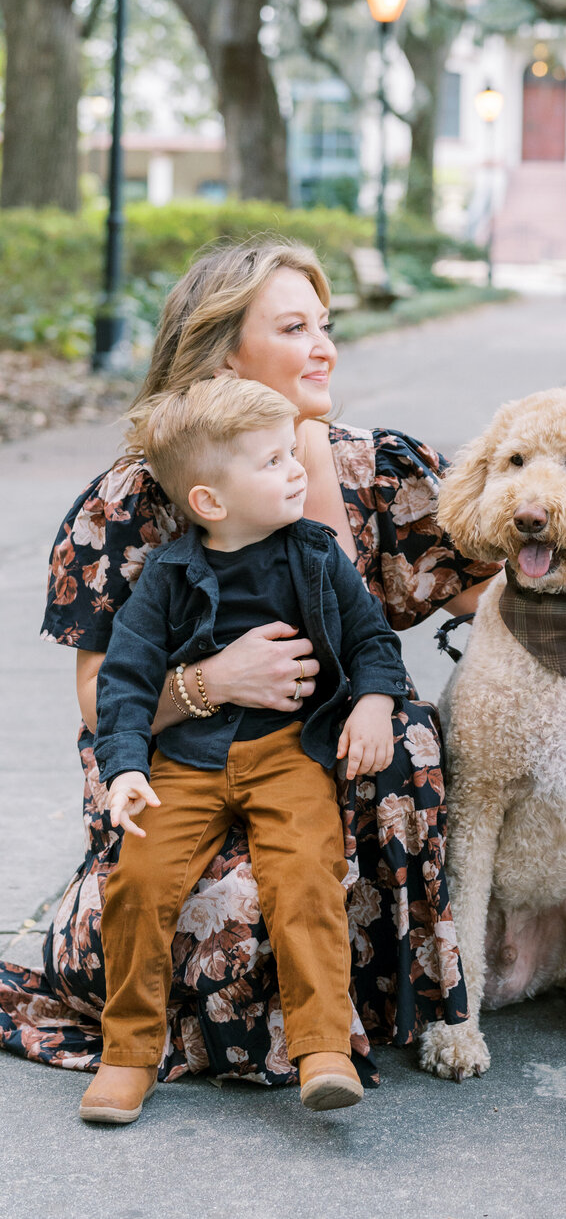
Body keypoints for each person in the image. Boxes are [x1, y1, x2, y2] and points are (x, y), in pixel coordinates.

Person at [0, 240, 497, 1085]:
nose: (324, 346)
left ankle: (338, 1030)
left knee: (388, 753)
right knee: (225, 918)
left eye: (326, 325)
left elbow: (492, 579)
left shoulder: (370, 466)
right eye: (295, 326)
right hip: (184, 765)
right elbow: (100, 695)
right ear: (225, 352)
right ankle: (144, 1041)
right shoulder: (138, 497)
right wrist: (210, 682)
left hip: (325, 769)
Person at [83, 377, 410, 1124]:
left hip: (289, 750)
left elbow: (371, 640)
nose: (296, 469)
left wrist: (371, 702)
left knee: (305, 871)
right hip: (186, 762)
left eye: (290, 452)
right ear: (210, 502)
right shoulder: (167, 576)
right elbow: (126, 680)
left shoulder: (316, 556)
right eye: (272, 462)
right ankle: (128, 1054)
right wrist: (126, 766)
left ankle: (323, 1048)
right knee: (137, 882)